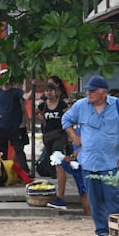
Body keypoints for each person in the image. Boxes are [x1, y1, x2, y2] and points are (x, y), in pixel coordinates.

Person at [62, 75, 119, 236]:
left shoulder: (118, 106)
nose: (89, 93)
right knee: (94, 198)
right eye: (88, 90)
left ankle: (115, 231)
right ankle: (102, 232)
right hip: (88, 161)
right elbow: (65, 120)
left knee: (113, 197)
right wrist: (75, 137)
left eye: (92, 90)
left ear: (103, 92)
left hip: (110, 161)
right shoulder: (81, 106)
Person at [36, 78, 70, 210]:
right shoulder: (43, 105)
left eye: (51, 90)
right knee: (50, 155)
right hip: (48, 135)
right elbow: (35, 112)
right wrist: (41, 118)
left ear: (56, 92)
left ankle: (60, 174)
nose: (49, 93)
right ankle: (54, 175)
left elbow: (68, 113)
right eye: (46, 90)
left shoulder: (61, 104)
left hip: (60, 133)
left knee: (57, 153)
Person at [0, 78, 28, 172]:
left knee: (19, 150)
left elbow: (26, 96)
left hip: (14, 127)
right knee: (2, 152)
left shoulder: (16, 91)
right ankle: (4, 173)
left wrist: (32, 87)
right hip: (1, 127)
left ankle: (25, 172)